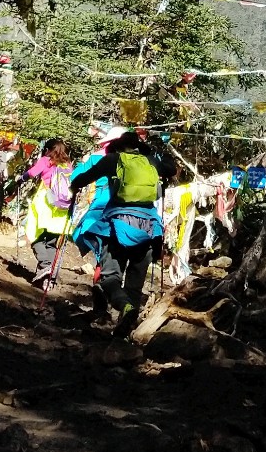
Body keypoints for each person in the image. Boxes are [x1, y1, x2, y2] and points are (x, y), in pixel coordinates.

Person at [70, 128, 177, 331]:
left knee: (109, 277)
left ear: (118, 146)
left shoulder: (113, 160)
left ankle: (124, 306)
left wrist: (74, 187)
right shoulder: (151, 162)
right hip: (149, 227)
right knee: (135, 284)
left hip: (118, 223)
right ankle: (125, 332)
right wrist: (166, 155)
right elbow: (170, 169)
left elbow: (84, 178)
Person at [21, 138, 77, 289]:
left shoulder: (46, 160)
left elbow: (32, 173)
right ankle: (48, 279)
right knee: (52, 242)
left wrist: (21, 179)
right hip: (61, 208)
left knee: (34, 234)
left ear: (47, 149)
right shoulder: (68, 164)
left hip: (45, 202)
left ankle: (45, 266)